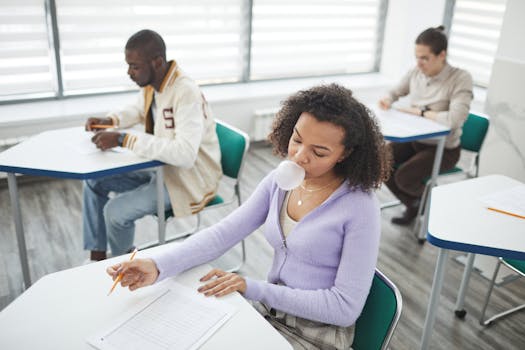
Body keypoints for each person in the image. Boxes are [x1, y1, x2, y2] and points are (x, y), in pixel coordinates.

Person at [107, 84, 392, 349]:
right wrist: (157, 265)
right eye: (297, 139)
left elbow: (344, 308)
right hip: (271, 313)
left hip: (317, 334)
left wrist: (253, 288)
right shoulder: (282, 180)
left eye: (319, 152)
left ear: (345, 154)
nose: (299, 156)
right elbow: (222, 234)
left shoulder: (359, 207)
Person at [83, 29, 222, 261]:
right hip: (161, 165)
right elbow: (139, 110)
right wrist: (111, 121)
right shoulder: (153, 84)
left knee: (115, 213)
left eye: (134, 66)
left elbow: (186, 155)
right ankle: (97, 257)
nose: (129, 72)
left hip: (187, 177)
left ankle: (123, 267)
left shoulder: (185, 91)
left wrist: (122, 139)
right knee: (93, 180)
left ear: (156, 62)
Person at [378, 25, 473, 225]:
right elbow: (396, 92)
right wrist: (388, 99)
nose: (419, 63)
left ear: (442, 55)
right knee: (380, 162)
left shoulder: (460, 78)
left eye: (424, 58)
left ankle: (433, 208)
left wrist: (420, 112)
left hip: (443, 148)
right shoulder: (416, 72)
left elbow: (456, 118)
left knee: (404, 176)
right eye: (417, 57)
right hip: (415, 140)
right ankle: (415, 204)